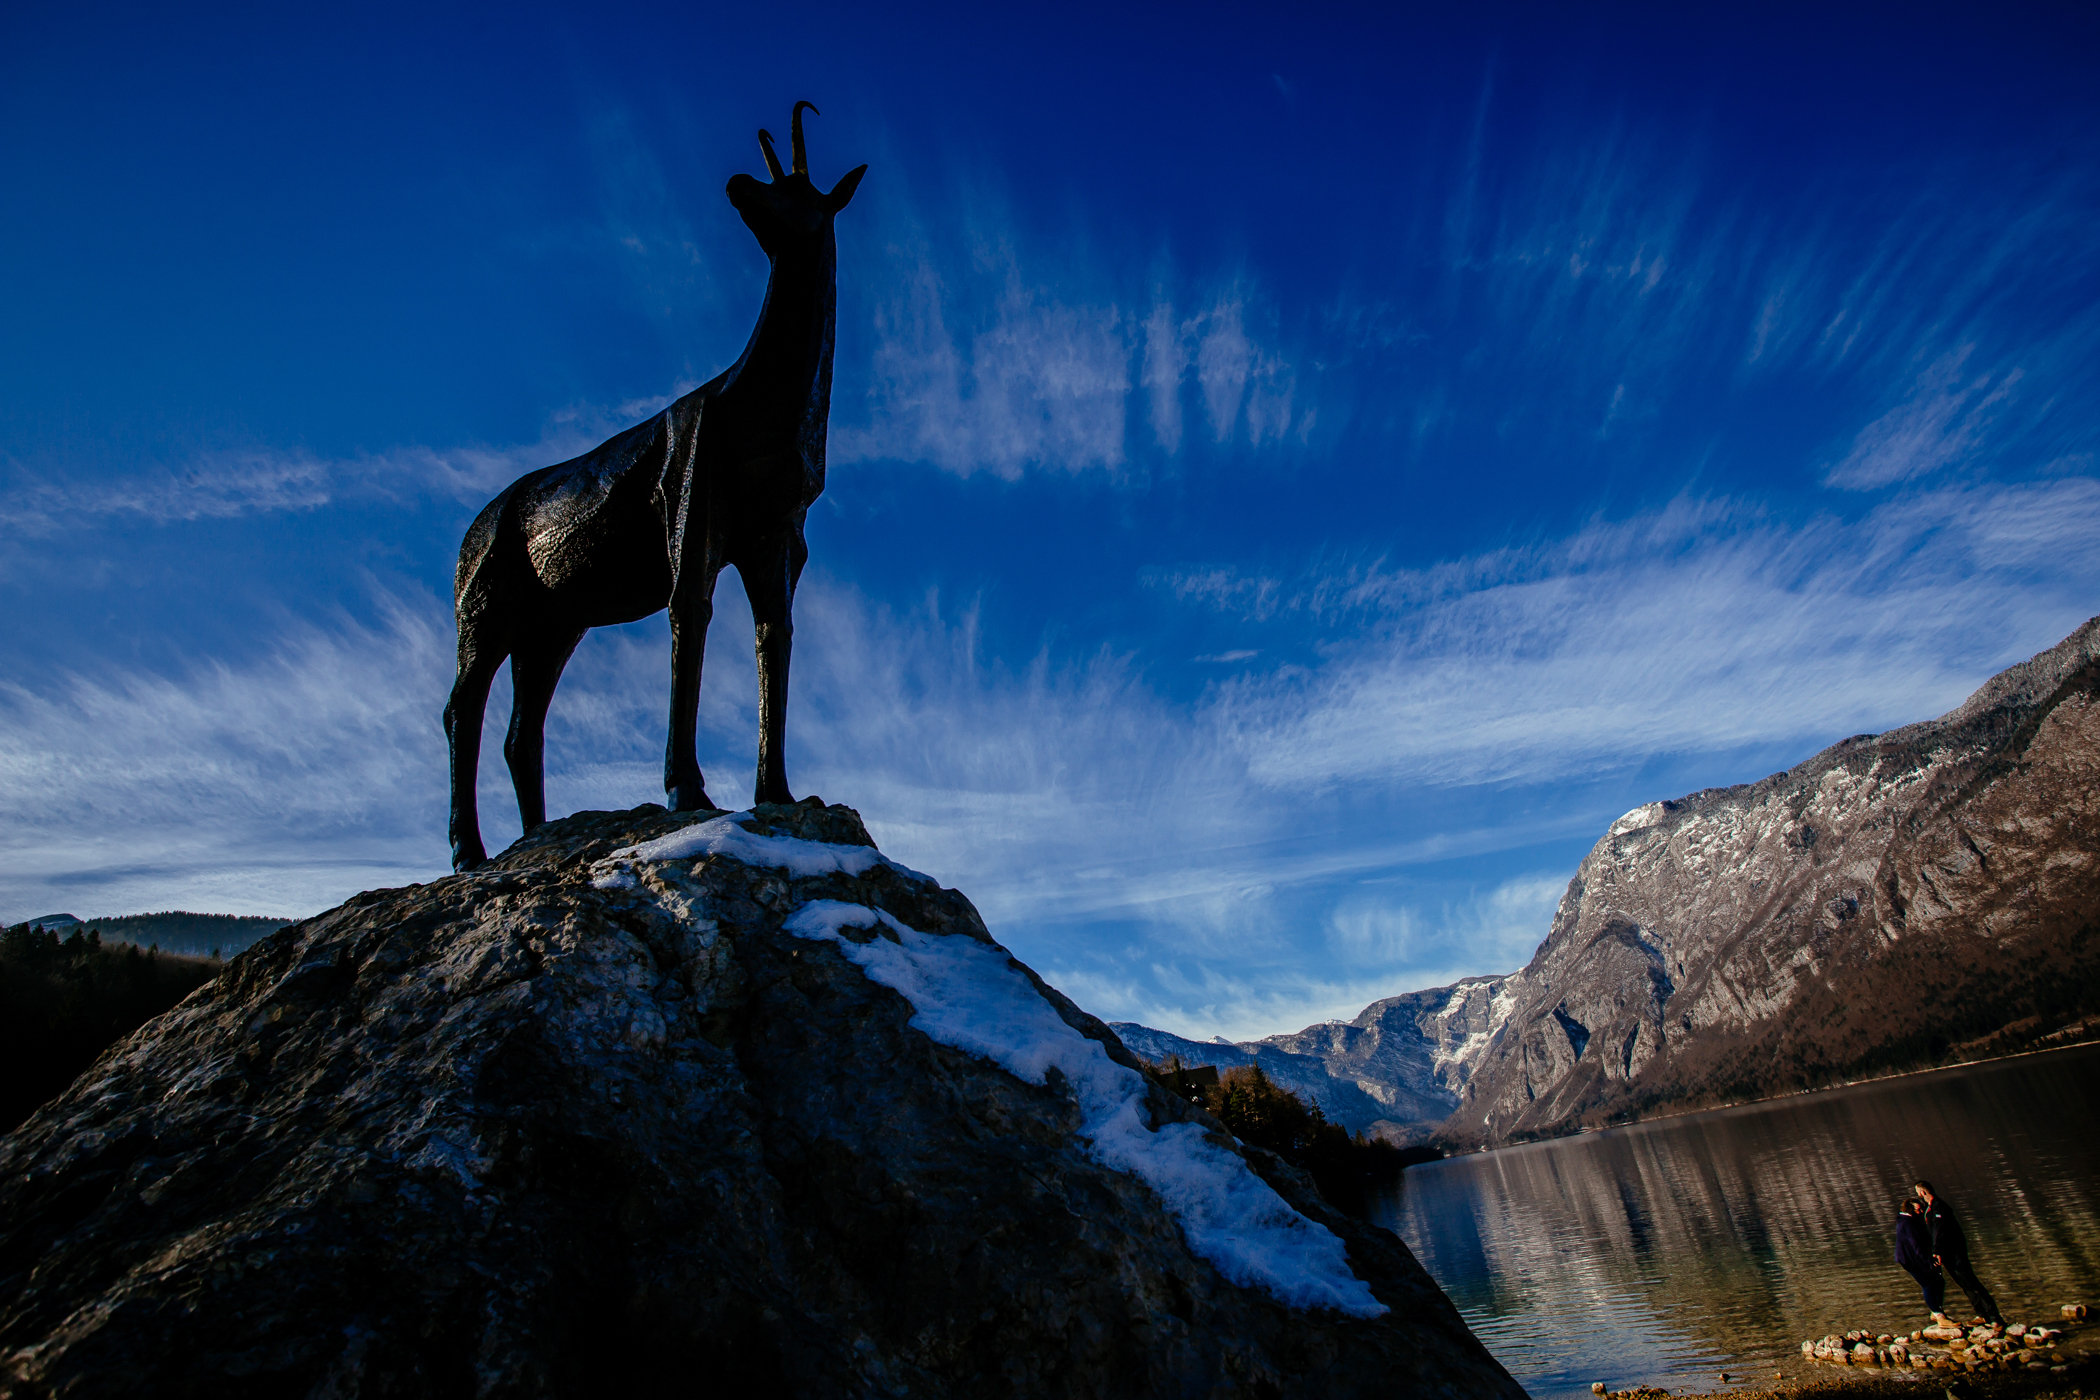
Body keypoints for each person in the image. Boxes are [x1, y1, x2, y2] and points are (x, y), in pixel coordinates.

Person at [1913, 1179, 2002, 1324]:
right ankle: (1981, 1313)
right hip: (1946, 1253)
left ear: (1922, 1192)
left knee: (1971, 1282)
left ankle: (1994, 1316)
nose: (1918, 1195)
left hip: (1955, 1252)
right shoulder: (1929, 1208)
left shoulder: (1939, 1207)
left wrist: (1936, 1250)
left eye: (1918, 1193)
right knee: (1964, 1284)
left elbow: (1940, 1230)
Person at [1894, 1199, 1944, 1313]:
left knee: (1938, 1281)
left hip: (1911, 1258)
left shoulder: (1906, 1220)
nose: (1921, 1211)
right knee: (1928, 1285)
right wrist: (1929, 1260)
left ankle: (1937, 1310)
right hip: (1911, 1260)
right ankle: (1938, 1314)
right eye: (1918, 1209)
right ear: (1910, 1210)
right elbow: (1916, 1244)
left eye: (1921, 1208)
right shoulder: (1908, 1223)